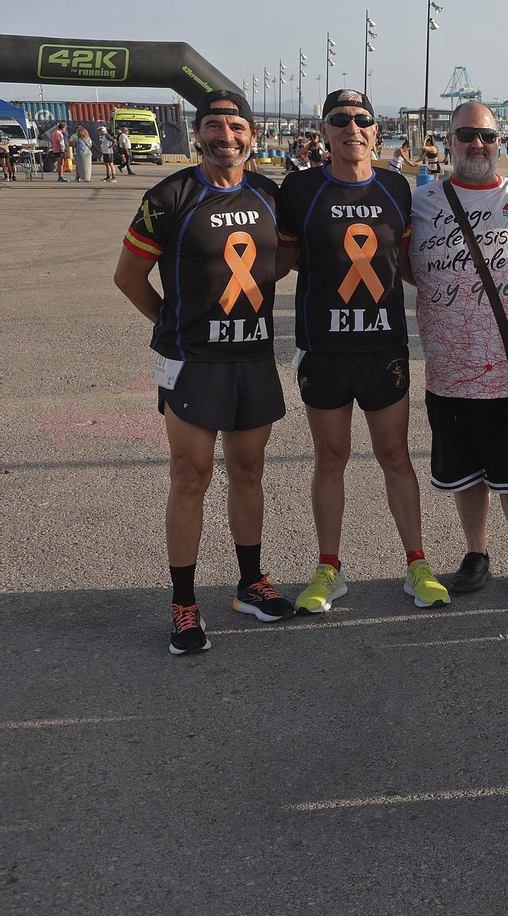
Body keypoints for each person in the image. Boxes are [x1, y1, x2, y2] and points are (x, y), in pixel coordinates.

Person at [112, 90, 289, 655]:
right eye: (214, 125)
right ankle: (184, 604)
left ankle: (249, 585)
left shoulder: (269, 195)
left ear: (252, 136)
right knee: (191, 476)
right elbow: (129, 276)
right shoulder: (171, 194)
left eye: (236, 126)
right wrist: (172, 321)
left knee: (250, 469)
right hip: (193, 361)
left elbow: (285, 257)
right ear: (198, 133)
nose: (226, 135)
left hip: (254, 356)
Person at [276, 89, 451, 613]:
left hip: (384, 349)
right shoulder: (300, 189)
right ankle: (329, 568)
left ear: (377, 132)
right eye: (340, 120)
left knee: (395, 456)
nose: (353, 127)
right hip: (324, 350)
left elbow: (413, 258)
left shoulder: (398, 186)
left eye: (363, 120)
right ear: (324, 133)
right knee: (331, 458)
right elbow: (277, 260)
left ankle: (417, 564)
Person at [405, 101, 508, 602]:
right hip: (449, 371)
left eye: (487, 136)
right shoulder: (420, 201)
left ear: (502, 143)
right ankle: (475, 554)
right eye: (466, 135)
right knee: (466, 472)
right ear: (448, 140)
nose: (478, 144)